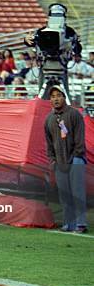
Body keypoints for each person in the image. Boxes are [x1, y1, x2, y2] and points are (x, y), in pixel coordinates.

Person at [44, 85, 88, 234]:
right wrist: (52, 160)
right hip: (59, 161)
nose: (56, 99)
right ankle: (68, 224)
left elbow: (80, 138)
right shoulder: (49, 119)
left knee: (77, 193)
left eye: (58, 95)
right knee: (64, 194)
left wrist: (77, 156)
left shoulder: (74, 114)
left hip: (76, 159)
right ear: (50, 99)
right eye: (53, 96)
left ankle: (81, 224)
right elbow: (48, 142)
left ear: (64, 97)